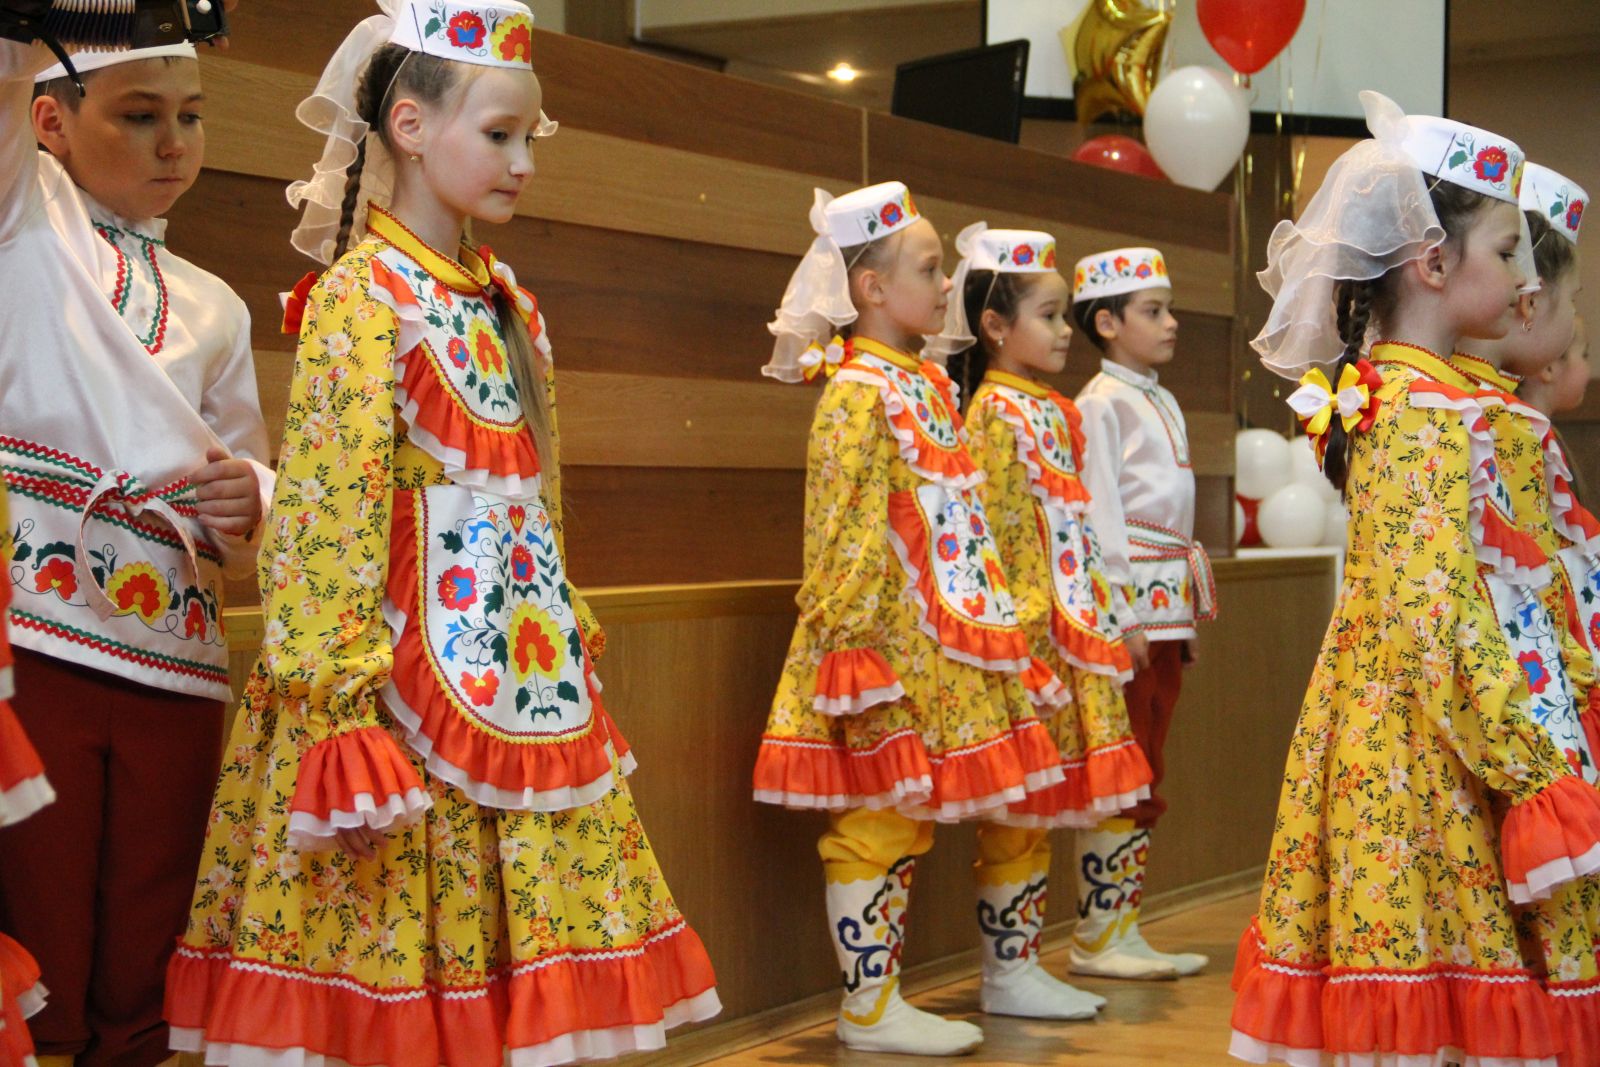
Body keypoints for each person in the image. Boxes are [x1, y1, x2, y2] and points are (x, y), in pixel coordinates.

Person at [163, 4, 719, 1064]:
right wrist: (336, 699)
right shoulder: (359, 297)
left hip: (519, 673)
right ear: (409, 127)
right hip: (395, 684)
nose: (523, 163)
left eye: (527, 138)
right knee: (398, 955)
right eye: (499, 134)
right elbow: (326, 512)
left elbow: (539, 499)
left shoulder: (512, 305)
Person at [1230, 90, 1600, 1066]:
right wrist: (1529, 762)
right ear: (1433, 263)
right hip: (1427, 743)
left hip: (1451, 720)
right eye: (1509, 252)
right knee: (1434, 982)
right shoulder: (1419, 411)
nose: (1528, 281)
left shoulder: (1434, 400)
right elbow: (1439, 613)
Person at [755, 183, 1091, 1055]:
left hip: (946, 636)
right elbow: (842, 528)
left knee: (941, 807)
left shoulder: (924, 385)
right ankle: (869, 1006)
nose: (947, 285)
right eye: (932, 268)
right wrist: (852, 647)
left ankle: (959, 981)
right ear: (871, 287)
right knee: (879, 812)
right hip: (888, 642)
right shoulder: (858, 393)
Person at [0, 37, 270, 1067]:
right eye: (140, 113)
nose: (174, 142)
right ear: (49, 122)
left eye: (190, 115)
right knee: (37, 904)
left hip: (177, 647)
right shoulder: (22, 222)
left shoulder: (216, 302)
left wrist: (254, 494)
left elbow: (244, 480)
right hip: (35, 632)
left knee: (155, 913)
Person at [935, 221, 1158, 1006]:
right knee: (1020, 806)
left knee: (1052, 798)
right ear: (997, 326)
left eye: (1066, 315)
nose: (1067, 331)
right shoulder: (994, 415)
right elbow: (991, 535)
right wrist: (1022, 636)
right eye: (1051, 315)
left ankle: (1034, 958)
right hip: (1030, 638)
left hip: (1069, 631)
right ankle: (1009, 969)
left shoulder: (1052, 410)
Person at [1069, 243, 1216, 979]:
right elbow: (1098, 513)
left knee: (1149, 756)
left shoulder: (1158, 396)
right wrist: (1122, 614)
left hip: (1165, 606)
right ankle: (1099, 933)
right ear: (1107, 322)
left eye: (1169, 309)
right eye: (1153, 311)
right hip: (1131, 610)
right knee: (1122, 756)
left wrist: (1178, 616)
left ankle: (1121, 925)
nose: (1171, 323)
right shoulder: (1100, 402)